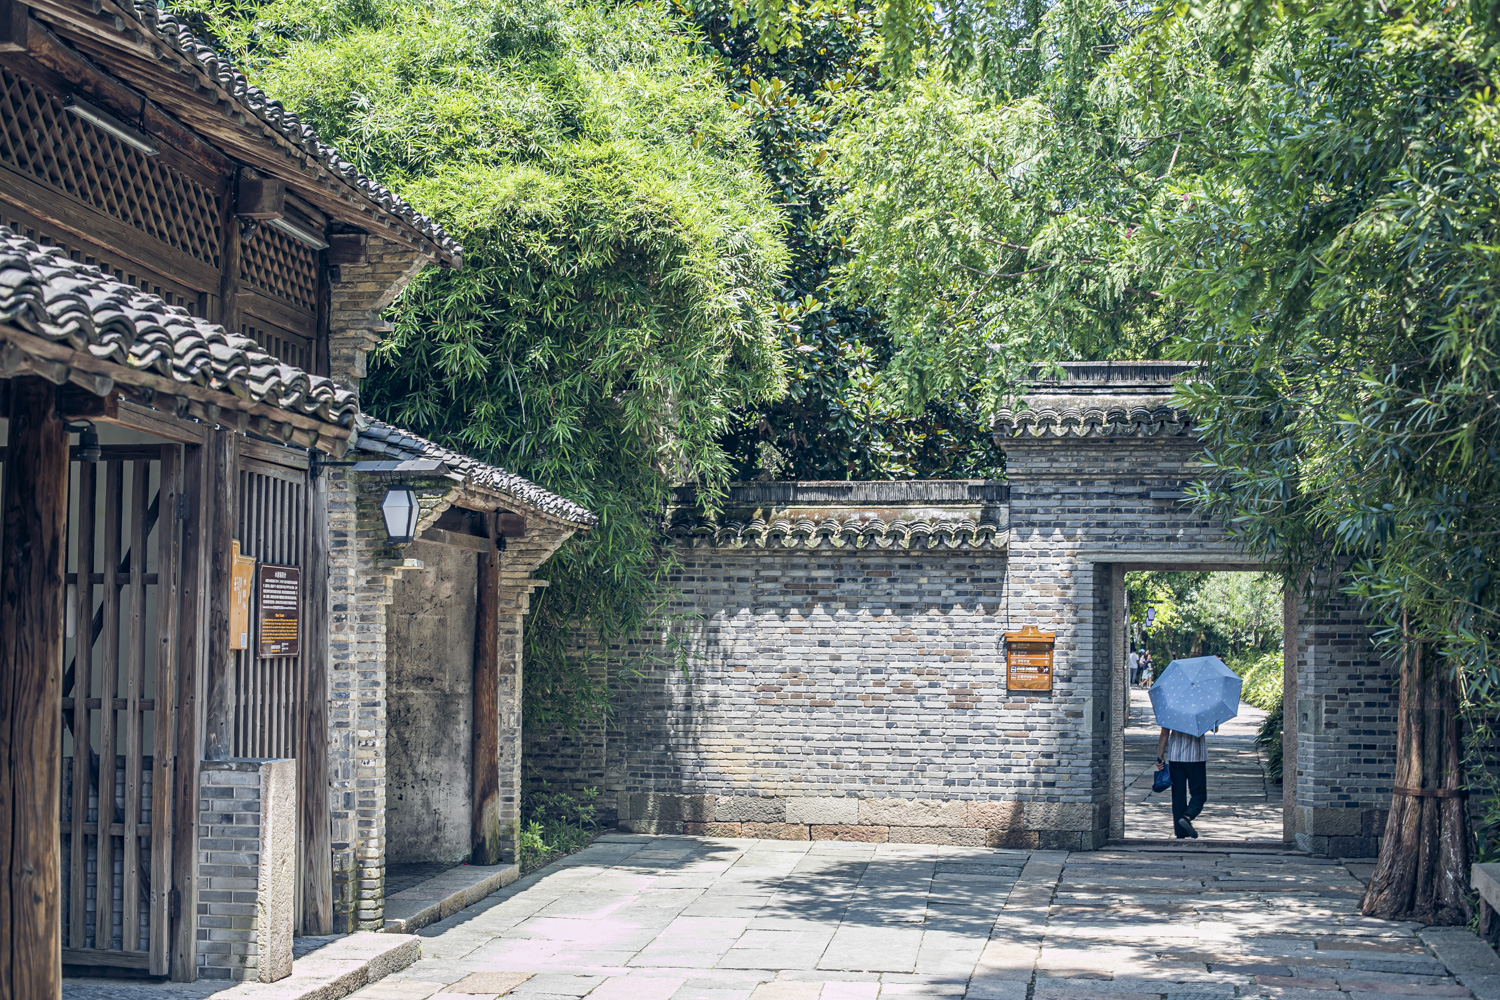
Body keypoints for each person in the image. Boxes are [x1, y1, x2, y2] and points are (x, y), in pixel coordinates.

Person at [1156, 723, 1218, 838]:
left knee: (1178, 796)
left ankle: (1180, 832)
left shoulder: (1172, 708)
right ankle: (1187, 816)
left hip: (1176, 756)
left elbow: (1164, 733)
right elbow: (1215, 729)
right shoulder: (1203, 706)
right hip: (1196, 756)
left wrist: (1160, 757)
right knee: (1199, 794)